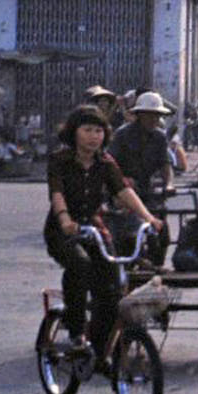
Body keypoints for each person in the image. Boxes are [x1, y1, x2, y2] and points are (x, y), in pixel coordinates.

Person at [44, 105, 163, 360]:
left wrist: (149, 217)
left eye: (98, 130)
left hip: (94, 228)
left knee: (110, 287)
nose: (93, 136)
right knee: (80, 264)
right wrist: (65, 220)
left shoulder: (106, 162)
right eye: (87, 130)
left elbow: (123, 191)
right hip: (62, 230)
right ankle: (76, 332)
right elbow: (57, 193)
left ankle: (99, 349)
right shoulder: (60, 159)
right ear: (74, 132)